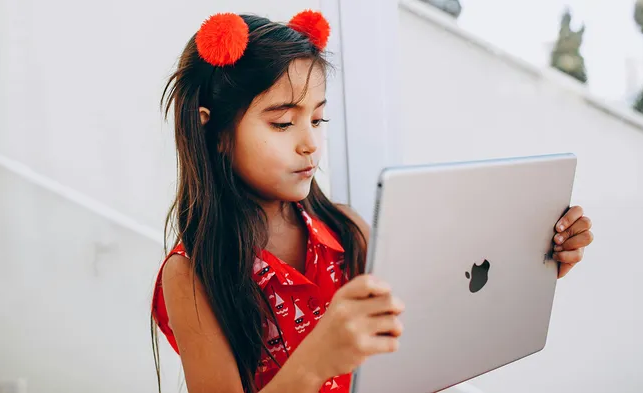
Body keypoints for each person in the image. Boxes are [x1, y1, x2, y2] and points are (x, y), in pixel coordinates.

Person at [150, 10, 595, 393]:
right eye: (283, 123)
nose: (310, 143)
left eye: (319, 118)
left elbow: (423, 345)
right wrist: (317, 361)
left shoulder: (346, 231)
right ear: (214, 132)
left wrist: (535, 261)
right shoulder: (192, 272)